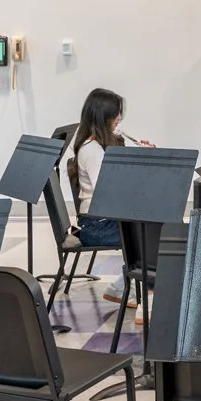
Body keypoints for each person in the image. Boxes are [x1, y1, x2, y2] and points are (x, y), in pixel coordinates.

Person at [65, 88, 154, 310]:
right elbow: (108, 191)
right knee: (150, 233)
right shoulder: (92, 150)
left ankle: (124, 286)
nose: (119, 119)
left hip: (101, 221)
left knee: (152, 227)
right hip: (97, 226)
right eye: (116, 114)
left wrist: (143, 155)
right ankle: (136, 289)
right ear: (102, 116)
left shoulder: (100, 145)